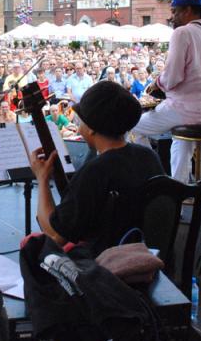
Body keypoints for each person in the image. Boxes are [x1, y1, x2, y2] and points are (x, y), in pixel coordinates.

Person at [28, 81, 165, 256]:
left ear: (91, 128)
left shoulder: (94, 172)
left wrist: (42, 179)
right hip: (147, 253)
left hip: (105, 264)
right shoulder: (149, 156)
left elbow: (55, 234)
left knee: (30, 244)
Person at [131, 0, 201, 184]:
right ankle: (178, 192)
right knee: (180, 143)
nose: (172, 16)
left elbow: (173, 77)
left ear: (188, 11)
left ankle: (153, 175)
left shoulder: (183, 32)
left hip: (186, 110)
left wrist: (156, 83)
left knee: (131, 126)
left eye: (175, 11)